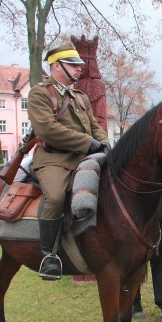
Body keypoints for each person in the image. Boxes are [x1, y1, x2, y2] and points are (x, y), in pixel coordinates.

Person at [28, 43, 110, 280]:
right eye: (73, 65)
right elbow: (47, 129)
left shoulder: (80, 97)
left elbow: (95, 127)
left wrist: (104, 145)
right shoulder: (40, 93)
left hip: (85, 157)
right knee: (55, 196)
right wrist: (87, 143)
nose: (78, 69)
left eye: (78, 65)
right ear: (56, 66)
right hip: (54, 159)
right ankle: (49, 256)